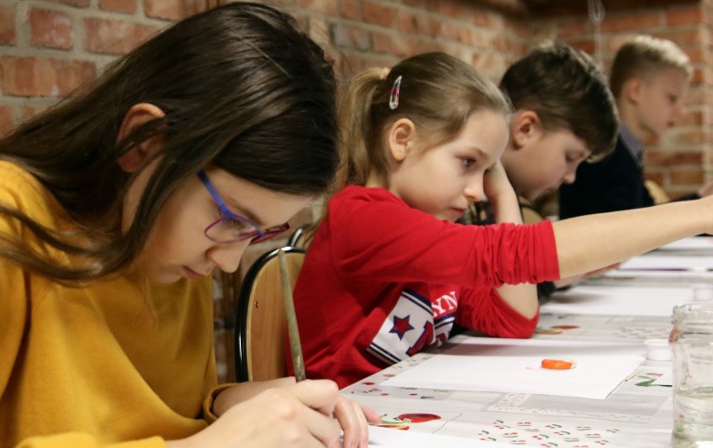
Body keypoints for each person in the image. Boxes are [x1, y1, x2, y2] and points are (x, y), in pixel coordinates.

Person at [0, 3, 378, 448]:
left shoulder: (173, 245)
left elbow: (130, 425)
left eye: (258, 234)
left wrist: (226, 407)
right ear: (146, 144)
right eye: (230, 218)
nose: (226, 262)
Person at [292, 51, 713, 389]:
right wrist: (700, 213)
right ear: (402, 140)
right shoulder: (363, 216)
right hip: (340, 434)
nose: (478, 189)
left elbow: (514, 319)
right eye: (467, 162)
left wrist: (504, 193)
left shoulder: (435, 234)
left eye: (487, 170)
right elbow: (513, 256)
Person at [472, 42, 620, 301]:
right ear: (526, 129)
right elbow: (464, 302)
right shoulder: (461, 194)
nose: (570, 176)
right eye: (569, 157)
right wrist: (545, 276)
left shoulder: (502, 197)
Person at [558, 35, 708, 218]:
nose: (681, 111)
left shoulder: (627, 148)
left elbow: (646, 214)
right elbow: (622, 229)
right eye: (672, 98)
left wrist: (700, 199)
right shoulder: (602, 153)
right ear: (635, 91)